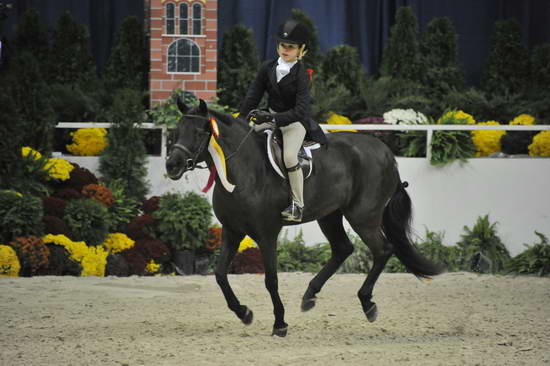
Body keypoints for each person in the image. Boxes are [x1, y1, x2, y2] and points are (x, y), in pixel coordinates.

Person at [239, 19, 327, 223]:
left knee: (289, 157)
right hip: (270, 117)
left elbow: (301, 110)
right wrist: (241, 119)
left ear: (301, 50)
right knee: (243, 139)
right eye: (282, 45)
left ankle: (297, 205)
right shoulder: (267, 67)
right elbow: (253, 95)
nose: (285, 50)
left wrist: (271, 117)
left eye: (291, 47)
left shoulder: (302, 74)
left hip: (293, 123)